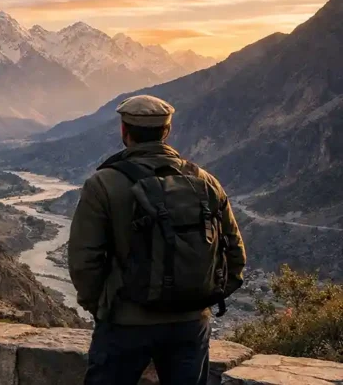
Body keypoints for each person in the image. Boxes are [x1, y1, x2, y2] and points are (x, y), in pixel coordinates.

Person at [68, 95, 247, 385]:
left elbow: (83, 261)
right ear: (167, 131)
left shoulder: (103, 184)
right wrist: (203, 299)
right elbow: (235, 253)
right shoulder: (205, 181)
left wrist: (103, 307)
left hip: (124, 323)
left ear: (124, 131)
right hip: (190, 324)